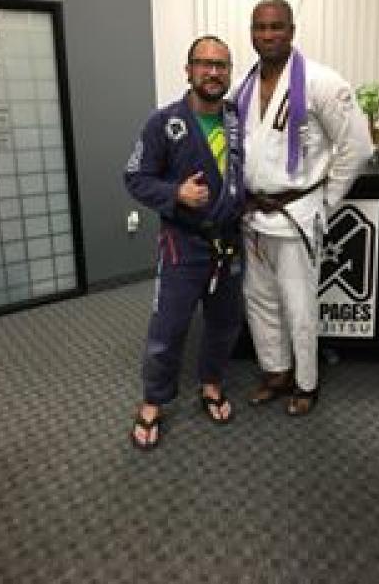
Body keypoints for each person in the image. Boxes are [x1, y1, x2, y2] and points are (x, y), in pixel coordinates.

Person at [234, 0, 372, 416]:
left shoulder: (321, 82)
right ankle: (275, 372)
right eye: (259, 27)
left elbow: (358, 147)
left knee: (299, 305)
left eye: (276, 26)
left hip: (295, 214)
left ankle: (306, 382)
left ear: (292, 31)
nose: (267, 35)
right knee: (259, 300)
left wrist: (326, 201)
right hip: (252, 214)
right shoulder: (244, 85)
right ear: (251, 32)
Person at [125, 35, 245, 449]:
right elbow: (135, 177)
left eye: (221, 65)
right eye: (204, 64)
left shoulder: (238, 120)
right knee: (168, 329)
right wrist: (175, 193)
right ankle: (153, 401)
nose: (213, 72)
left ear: (229, 73)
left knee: (225, 322)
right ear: (189, 70)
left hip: (228, 242)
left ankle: (211, 382)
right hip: (183, 244)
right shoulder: (164, 122)